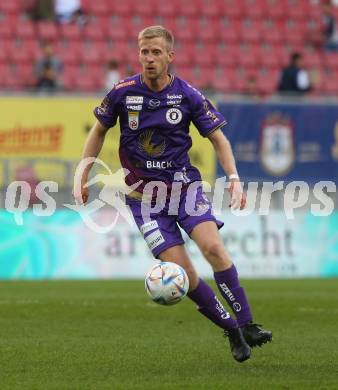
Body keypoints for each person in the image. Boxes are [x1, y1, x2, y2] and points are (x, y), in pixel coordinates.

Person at [73, 25, 272, 363]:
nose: (148, 59)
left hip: (185, 189)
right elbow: (99, 130)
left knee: (213, 248)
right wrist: (83, 172)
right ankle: (232, 330)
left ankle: (248, 323)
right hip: (144, 201)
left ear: (170, 56)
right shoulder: (122, 93)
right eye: (143, 52)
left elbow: (218, 139)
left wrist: (234, 178)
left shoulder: (188, 95)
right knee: (185, 275)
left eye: (155, 52)